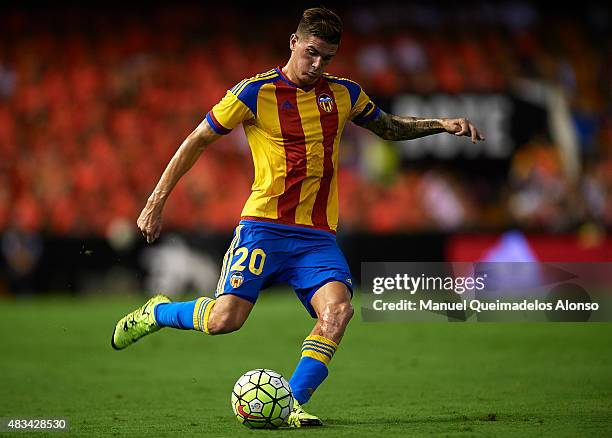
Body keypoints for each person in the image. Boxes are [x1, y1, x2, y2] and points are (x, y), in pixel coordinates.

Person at [111, 7, 484, 427]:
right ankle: (157, 313)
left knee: (338, 311)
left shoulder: (344, 94)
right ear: (293, 42)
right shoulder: (255, 92)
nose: (318, 64)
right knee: (223, 320)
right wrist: (155, 201)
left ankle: (290, 402)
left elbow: (389, 127)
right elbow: (197, 140)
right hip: (263, 228)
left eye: (327, 57)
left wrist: (441, 124)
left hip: (316, 237)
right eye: (311, 53)